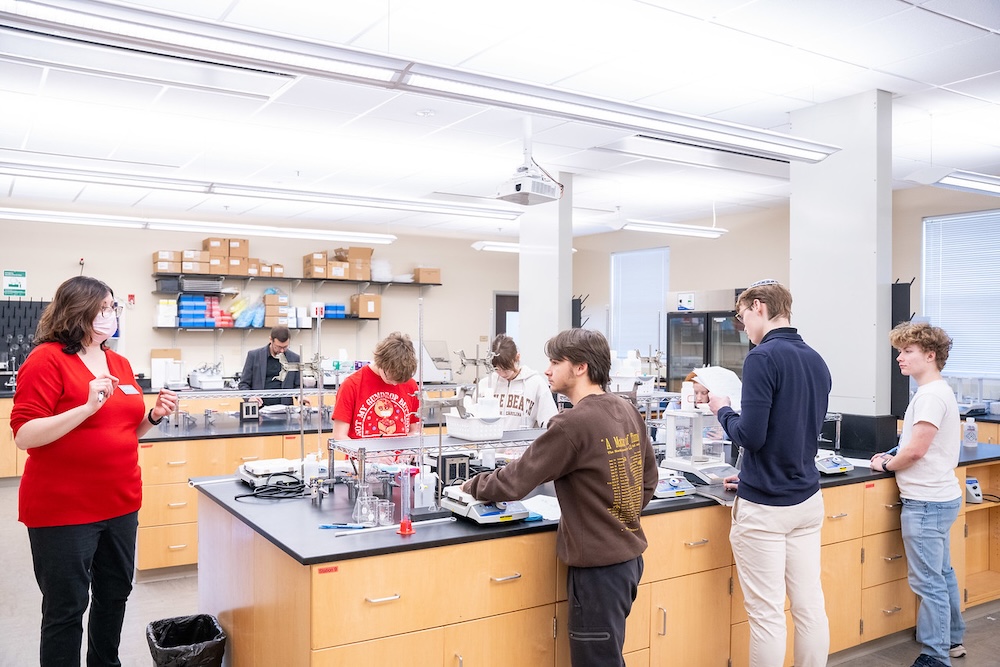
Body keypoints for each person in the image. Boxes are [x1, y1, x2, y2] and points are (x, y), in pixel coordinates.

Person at [463, 329, 657, 667]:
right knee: (608, 657)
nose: (548, 370)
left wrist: (471, 486)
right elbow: (648, 479)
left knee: (596, 662)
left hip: (597, 571)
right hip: (628, 560)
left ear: (580, 367)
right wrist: (618, 516)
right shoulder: (625, 410)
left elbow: (516, 481)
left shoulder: (572, 423)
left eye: (556, 362)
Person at [11, 276, 178, 667]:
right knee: (67, 608)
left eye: (114, 307)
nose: (112, 315)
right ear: (78, 310)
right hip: (63, 508)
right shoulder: (47, 359)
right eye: (105, 308)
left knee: (115, 594)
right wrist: (85, 408)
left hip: (120, 502)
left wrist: (153, 416)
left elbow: (124, 430)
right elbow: (25, 435)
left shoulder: (118, 361)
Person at [707, 279, 831, 667]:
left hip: (765, 509)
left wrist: (722, 409)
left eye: (743, 318)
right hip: (807, 500)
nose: (743, 328)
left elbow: (752, 436)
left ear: (758, 307)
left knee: (766, 616)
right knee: (810, 607)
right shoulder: (815, 359)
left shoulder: (762, 357)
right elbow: (792, 433)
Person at [869, 322, 965, 667]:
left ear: (930, 355)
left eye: (907, 351)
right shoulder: (938, 391)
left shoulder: (929, 395)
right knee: (942, 574)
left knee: (928, 583)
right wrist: (893, 454)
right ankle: (953, 640)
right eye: (899, 351)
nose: (900, 358)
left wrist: (884, 465)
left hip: (925, 502)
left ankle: (935, 656)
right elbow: (913, 443)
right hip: (941, 497)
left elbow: (916, 452)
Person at [332, 331, 420, 439]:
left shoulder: (410, 385)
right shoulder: (352, 385)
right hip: (363, 455)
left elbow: (414, 430)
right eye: (391, 378)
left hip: (401, 456)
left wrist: (406, 452)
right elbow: (339, 436)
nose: (394, 383)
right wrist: (372, 454)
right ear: (381, 363)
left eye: (399, 380)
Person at [478, 334, 558, 430]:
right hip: (488, 443)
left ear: (517, 357)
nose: (502, 374)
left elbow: (549, 423)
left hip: (523, 443)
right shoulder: (486, 384)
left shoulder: (536, 384)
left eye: (506, 369)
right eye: (497, 369)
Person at [238, 325, 301, 406]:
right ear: (271, 339)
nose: (282, 350)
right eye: (278, 347)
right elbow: (243, 384)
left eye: (285, 347)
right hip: (259, 409)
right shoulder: (254, 356)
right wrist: (250, 398)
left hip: (284, 410)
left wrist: (300, 396)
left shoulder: (294, 358)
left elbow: (298, 386)